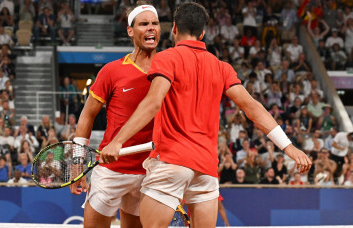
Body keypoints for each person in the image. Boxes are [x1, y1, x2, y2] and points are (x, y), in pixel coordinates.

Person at [100, 3, 311, 227]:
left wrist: (117, 141)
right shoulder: (222, 67)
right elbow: (252, 107)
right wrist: (288, 147)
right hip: (206, 170)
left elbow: (152, 103)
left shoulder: (167, 58)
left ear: (174, 29)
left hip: (171, 163)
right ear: (202, 33)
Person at [69, 2, 161, 228]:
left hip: (150, 172)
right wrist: (77, 165)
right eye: (143, 24)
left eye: (155, 23)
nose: (151, 28)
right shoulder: (111, 70)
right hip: (111, 169)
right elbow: (86, 116)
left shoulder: (169, 69)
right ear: (130, 31)